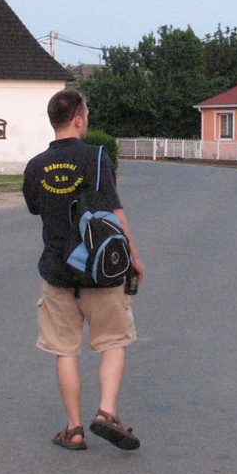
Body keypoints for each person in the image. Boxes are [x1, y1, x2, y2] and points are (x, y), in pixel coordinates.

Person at [22, 90, 147, 452]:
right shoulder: (96, 157)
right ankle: (106, 413)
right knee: (114, 342)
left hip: (57, 271)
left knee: (66, 350)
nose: (88, 118)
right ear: (77, 118)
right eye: (87, 112)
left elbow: (36, 209)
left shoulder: (36, 165)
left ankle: (74, 429)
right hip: (100, 269)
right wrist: (134, 258)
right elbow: (114, 212)